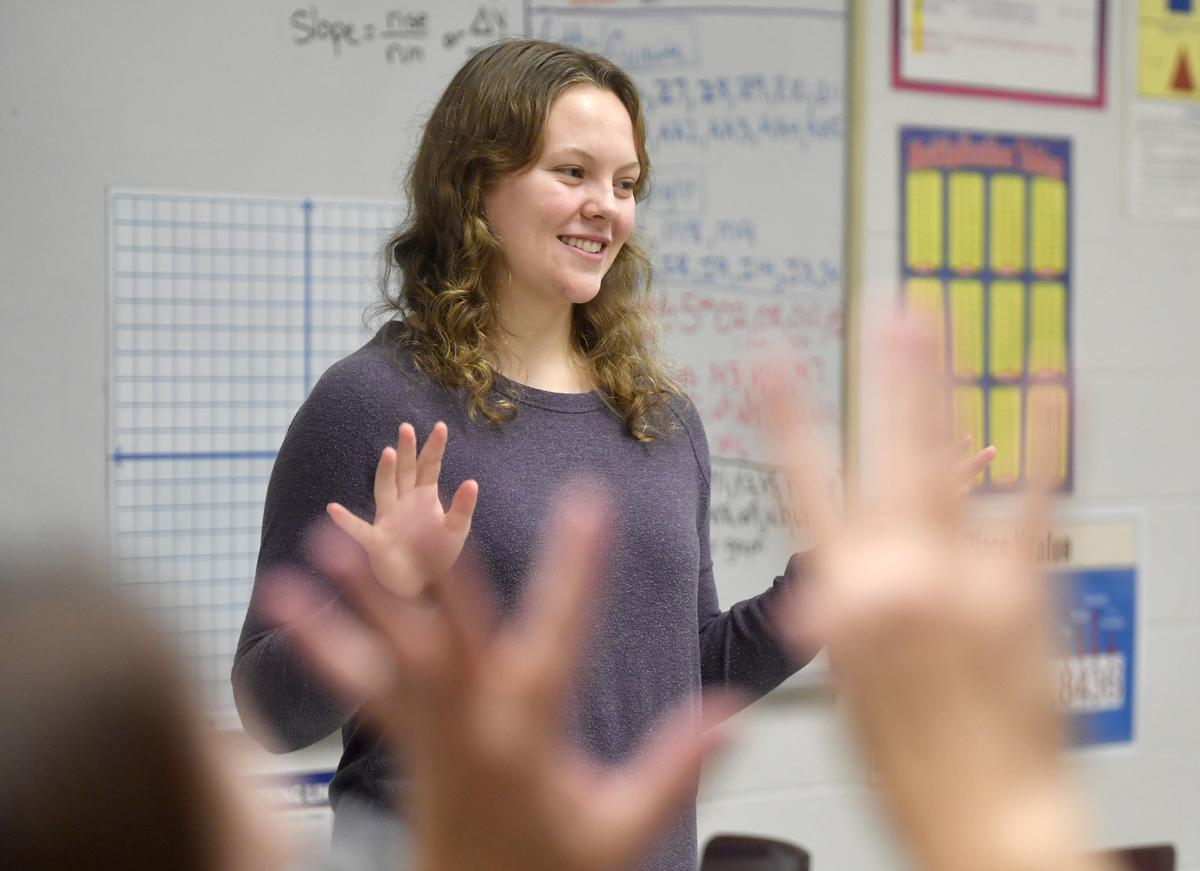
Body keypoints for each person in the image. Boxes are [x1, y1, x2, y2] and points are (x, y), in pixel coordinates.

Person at [232, 38, 819, 870]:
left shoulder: (662, 420)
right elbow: (267, 712)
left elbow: (679, 676)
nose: (606, 208)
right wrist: (381, 595)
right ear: (477, 186)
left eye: (626, 184)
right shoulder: (371, 401)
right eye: (572, 173)